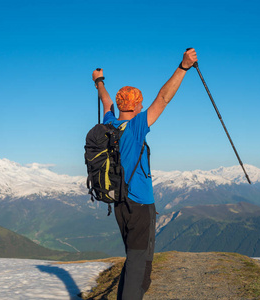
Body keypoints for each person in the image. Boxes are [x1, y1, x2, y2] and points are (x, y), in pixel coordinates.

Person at [91, 48, 198, 300]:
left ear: (120, 105)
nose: (142, 105)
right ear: (136, 104)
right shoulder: (136, 126)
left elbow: (106, 101)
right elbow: (163, 98)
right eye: (140, 102)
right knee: (140, 266)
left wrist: (99, 81)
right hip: (140, 206)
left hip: (119, 204)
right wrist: (183, 67)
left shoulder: (110, 124)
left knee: (134, 260)